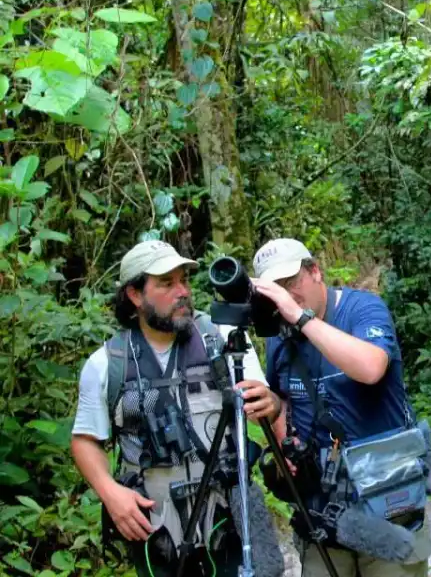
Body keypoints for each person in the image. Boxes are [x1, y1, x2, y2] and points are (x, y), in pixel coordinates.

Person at [70, 240, 284, 577]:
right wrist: (111, 493)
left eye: (183, 280)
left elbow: (269, 406)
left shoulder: (224, 340)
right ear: (135, 295)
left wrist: (269, 404)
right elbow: (85, 439)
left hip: (227, 519)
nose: (182, 291)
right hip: (155, 527)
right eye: (166, 283)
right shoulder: (107, 364)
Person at [250, 237, 431, 577]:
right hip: (322, 511)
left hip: (386, 503)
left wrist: (301, 318)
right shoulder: (278, 337)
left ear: (315, 271)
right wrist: (272, 408)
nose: (286, 296)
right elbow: (285, 402)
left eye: (291, 283)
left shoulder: (362, 309)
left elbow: (371, 367)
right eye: (274, 289)